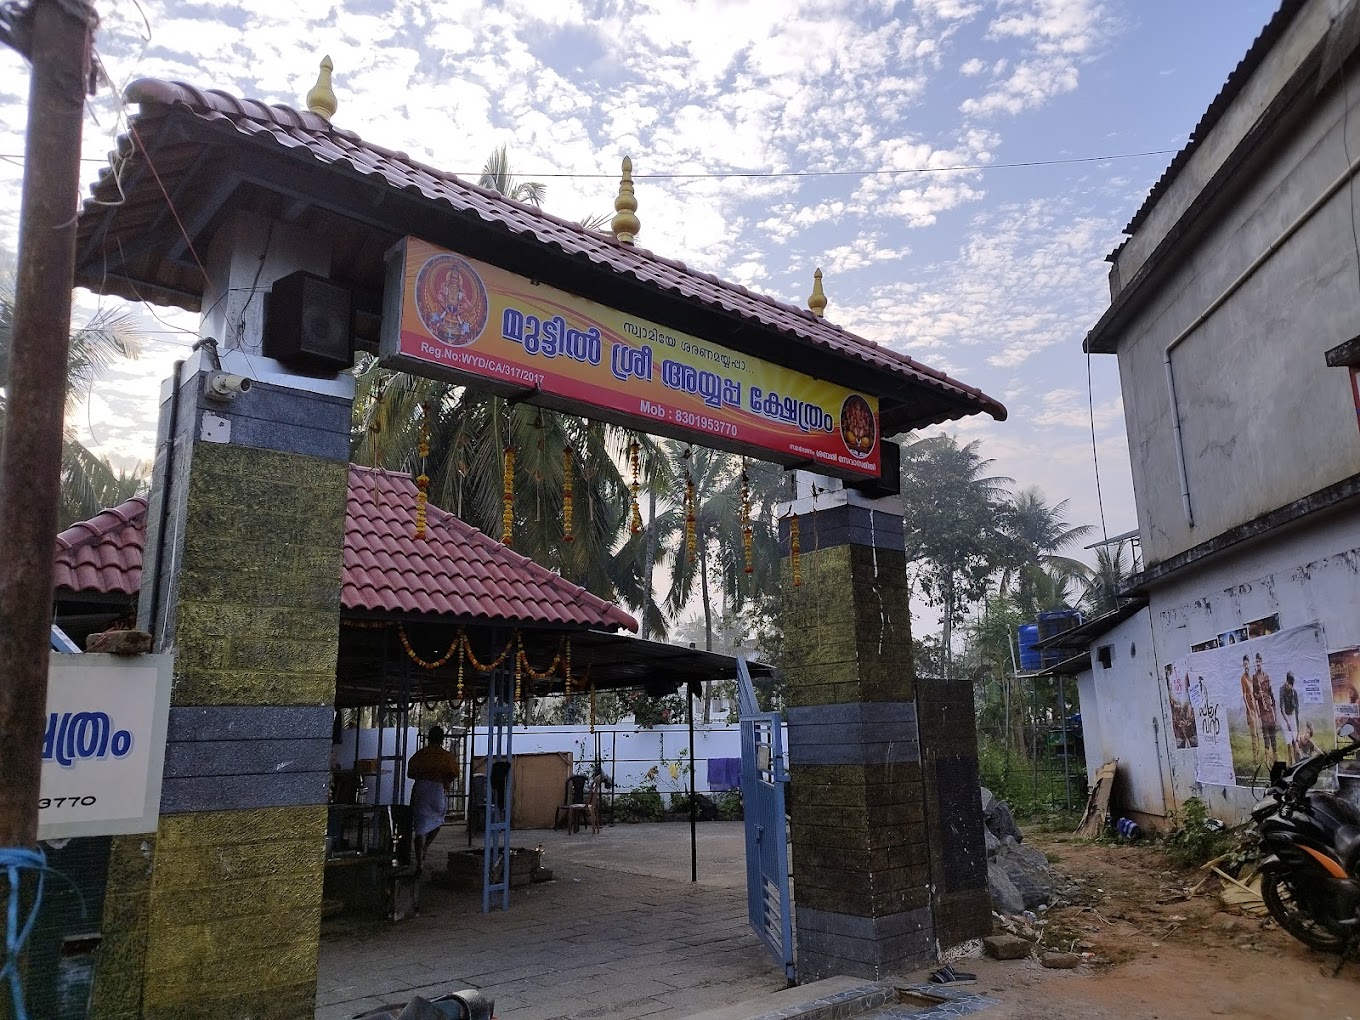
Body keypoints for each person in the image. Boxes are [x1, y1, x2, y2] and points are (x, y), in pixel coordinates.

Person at [407, 726, 460, 874]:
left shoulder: (420, 755)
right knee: (438, 821)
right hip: (437, 790)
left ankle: (419, 862)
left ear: (428, 738)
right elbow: (454, 773)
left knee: (419, 828)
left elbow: (410, 773)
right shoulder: (446, 756)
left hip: (421, 790)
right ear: (442, 739)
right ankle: (425, 847)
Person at [1253, 653, 1279, 765]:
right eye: (1256, 662)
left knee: (1273, 735)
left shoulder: (1266, 676)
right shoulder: (1254, 677)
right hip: (1262, 710)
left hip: (1269, 708)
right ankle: (1267, 761)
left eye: (1259, 661)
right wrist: (1259, 695)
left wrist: (1273, 707)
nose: (1258, 663)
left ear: (1261, 662)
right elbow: (1254, 695)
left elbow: (1271, 692)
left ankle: (1276, 759)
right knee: (1266, 736)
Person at [1239, 655, 1261, 764]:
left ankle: (1258, 756)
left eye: (1247, 664)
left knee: (1257, 734)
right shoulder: (1243, 678)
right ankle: (1255, 759)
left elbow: (1254, 695)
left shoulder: (1252, 679)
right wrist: (1249, 710)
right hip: (1250, 712)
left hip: (1255, 710)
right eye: (1244, 665)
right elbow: (1244, 695)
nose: (1246, 666)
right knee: (1253, 735)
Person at [1278, 672, 1301, 764]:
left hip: (1292, 716)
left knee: (1295, 741)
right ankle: (1290, 763)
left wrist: (1297, 728)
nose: (1289, 686)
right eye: (1288, 684)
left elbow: (1297, 712)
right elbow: (1282, 708)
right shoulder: (1282, 690)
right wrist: (1287, 722)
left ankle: (1298, 762)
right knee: (1289, 743)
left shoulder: (1294, 693)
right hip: (1285, 717)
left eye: (1291, 685)